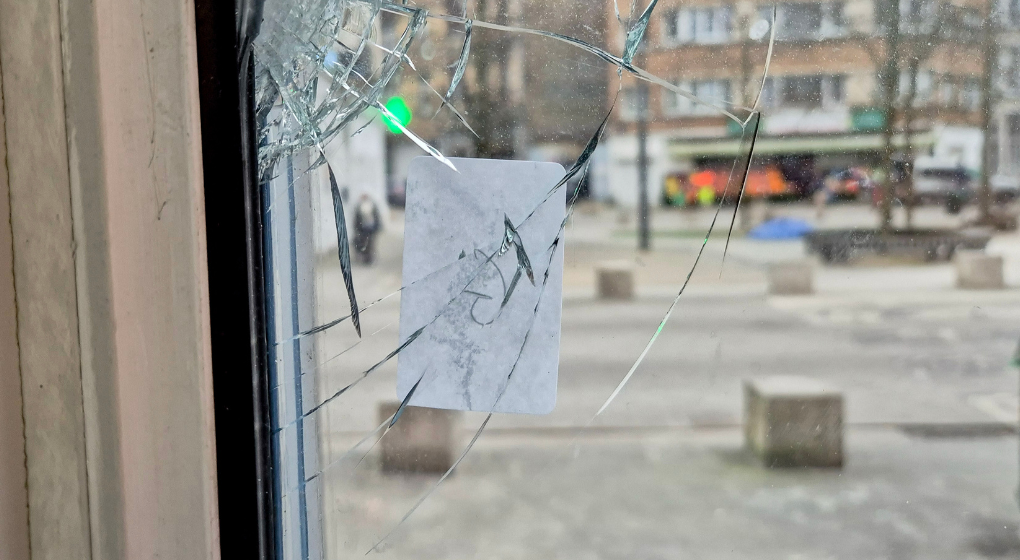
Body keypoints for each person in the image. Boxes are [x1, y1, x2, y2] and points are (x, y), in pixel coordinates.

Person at [353, 194, 380, 264]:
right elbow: (357, 218)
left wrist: (377, 227)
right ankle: (365, 258)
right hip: (363, 228)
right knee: (364, 243)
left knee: (371, 243)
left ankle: (370, 258)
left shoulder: (372, 205)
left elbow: (376, 216)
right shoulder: (359, 207)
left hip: (371, 227)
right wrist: (357, 228)